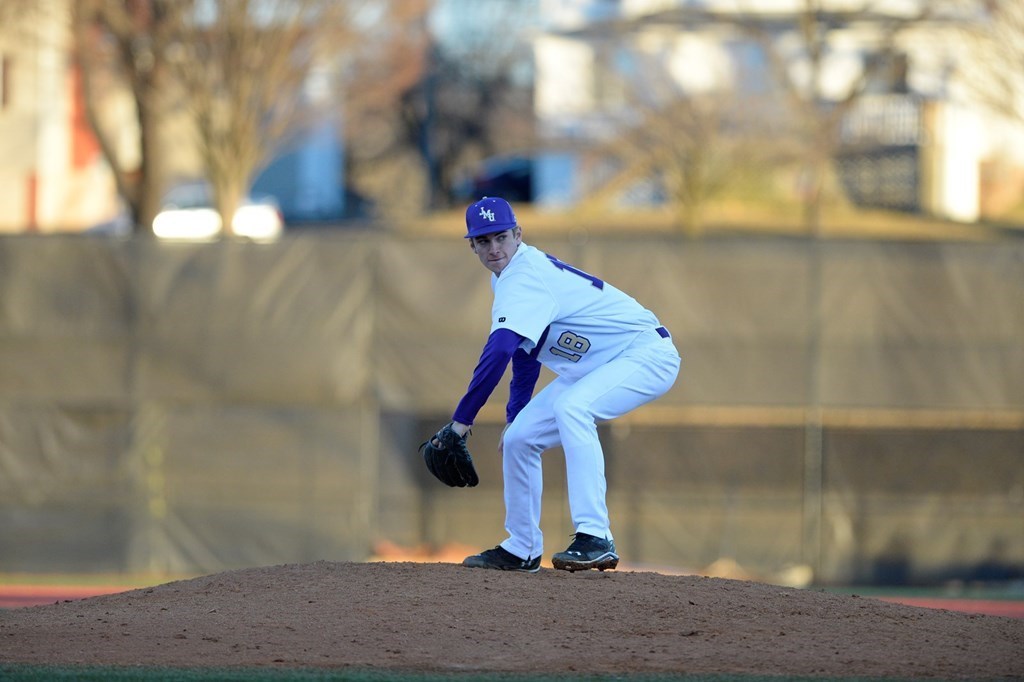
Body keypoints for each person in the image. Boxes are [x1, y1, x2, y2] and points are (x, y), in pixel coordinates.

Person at [443, 196, 680, 573]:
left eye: (501, 237)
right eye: (483, 241)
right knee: (520, 438)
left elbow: (500, 350)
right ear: (471, 245)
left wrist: (461, 421)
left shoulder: (525, 275)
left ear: (518, 234)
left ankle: (595, 536)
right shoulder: (506, 278)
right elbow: (524, 353)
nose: (494, 248)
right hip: (594, 368)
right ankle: (521, 547)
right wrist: (515, 416)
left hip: (644, 353)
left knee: (574, 408)